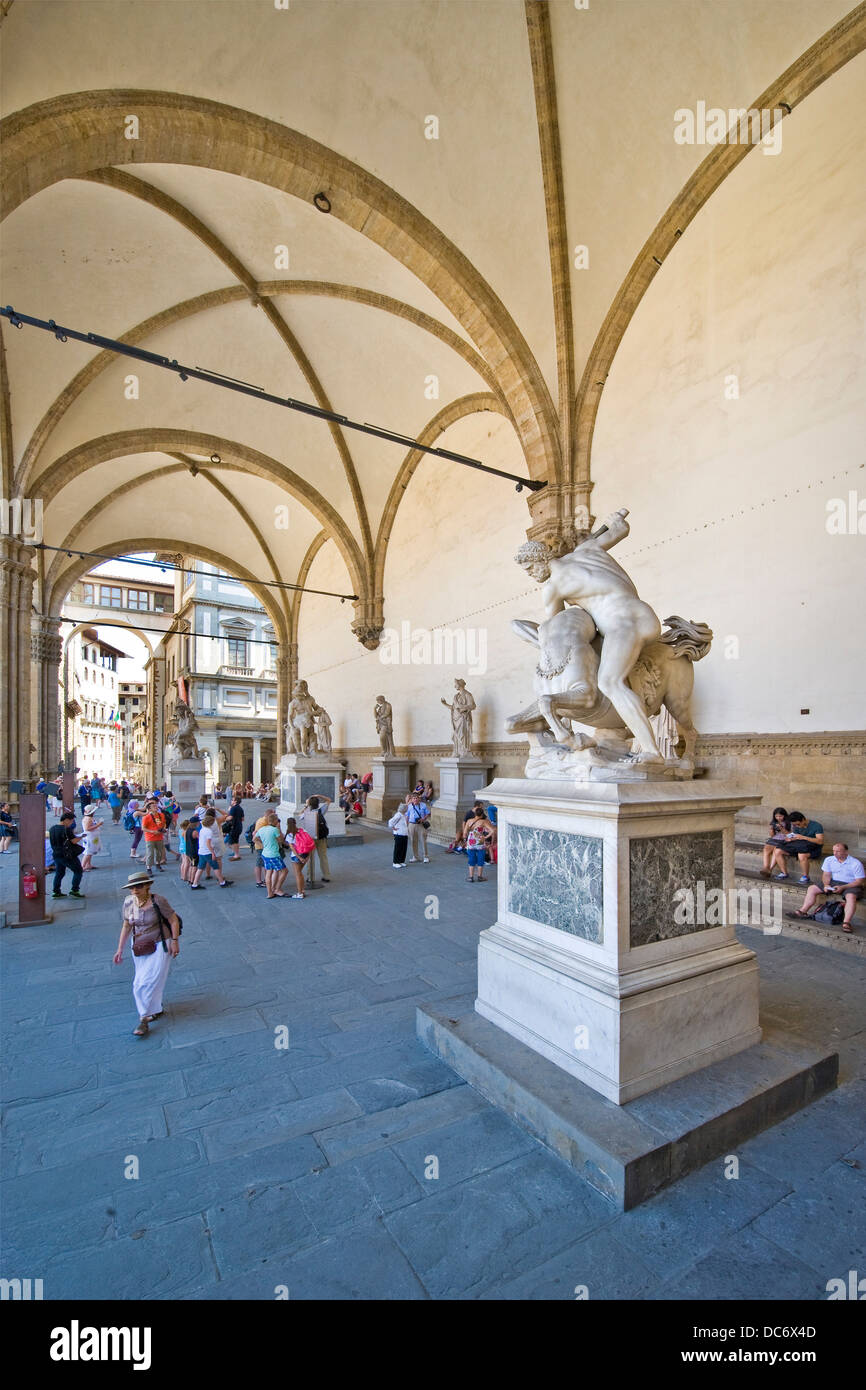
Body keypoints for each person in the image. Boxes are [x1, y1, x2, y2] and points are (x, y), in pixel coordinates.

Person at [113, 870, 181, 1036]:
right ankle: (155, 1008)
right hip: (140, 945)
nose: (135, 890)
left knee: (148, 981)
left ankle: (143, 1018)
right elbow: (127, 925)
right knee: (140, 981)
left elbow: (173, 919)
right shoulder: (129, 902)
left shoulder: (158, 901)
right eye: (132, 888)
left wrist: (174, 940)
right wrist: (120, 948)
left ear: (147, 886)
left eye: (139, 886)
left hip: (160, 943)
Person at [794, 843, 865, 933]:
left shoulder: (855, 863)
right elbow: (826, 875)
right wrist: (826, 885)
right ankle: (803, 911)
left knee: (851, 897)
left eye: (838, 851)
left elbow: (859, 881)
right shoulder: (829, 859)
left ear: (846, 852)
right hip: (833, 881)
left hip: (850, 884)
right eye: (834, 851)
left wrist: (843, 887)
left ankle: (846, 922)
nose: (835, 853)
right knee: (812, 888)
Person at [771, 811, 824, 883]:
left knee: (801, 855)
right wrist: (790, 839)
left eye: (798, 824)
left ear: (803, 819)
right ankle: (784, 873)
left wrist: (804, 837)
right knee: (777, 850)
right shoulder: (796, 826)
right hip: (800, 846)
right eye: (795, 825)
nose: (797, 826)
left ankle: (806, 877)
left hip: (813, 848)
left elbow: (820, 841)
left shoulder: (816, 826)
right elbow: (796, 836)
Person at [190, 811, 232, 889]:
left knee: (200, 868)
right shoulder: (209, 831)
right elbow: (208, 843)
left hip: (201, 852)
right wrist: (212, 853)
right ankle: (222, 882)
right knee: (216, 867)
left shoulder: (202, 829)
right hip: (207, 852)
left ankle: (194, 884)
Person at [49, 812, 85, 899]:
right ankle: (75, 890)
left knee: (59, 873)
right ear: (66, 820)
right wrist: (81, 836)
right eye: (71, 821)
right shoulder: (66, 829)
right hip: (67, 855)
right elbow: (74, 841)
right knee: (78, 871)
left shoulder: (52, 828)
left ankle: (56, 891)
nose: (72, 823)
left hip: (56, 854)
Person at [300, 795, 331, 884]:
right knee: (323, 856)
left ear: (309, 804)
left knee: (310, 858)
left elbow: (299, 816)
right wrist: (318, 795)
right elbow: (328, 800)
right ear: (318, 804)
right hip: (321, 836)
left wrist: (306, 805)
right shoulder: (321, 810)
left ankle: (310, 877)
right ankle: (326, 875)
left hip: (310, 838)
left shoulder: (307, 812)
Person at [256, 814, 289, 898]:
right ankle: (277, 889)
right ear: (275, 821)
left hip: (265, 853)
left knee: (269, 872)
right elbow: (281, 840)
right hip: (274, 854)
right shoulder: (274, 830)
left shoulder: (262, 829)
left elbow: (254, 838)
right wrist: (279, 828)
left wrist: (263, 844)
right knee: (284, 871)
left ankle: (270, 892)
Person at [463, 806, 494, 882]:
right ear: (482, 814)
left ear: (475, 813)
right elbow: (493, 830)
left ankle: (471, 877)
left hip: (471, 842)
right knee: (480, 859)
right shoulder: (483, 822)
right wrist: (486, 836)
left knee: (471, 859)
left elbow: (464, 833)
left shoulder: (469, 821)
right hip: (480, 842)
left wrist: (465, 839)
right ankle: (480, 877)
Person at [760, 807, 791, 876]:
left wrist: (782, 828)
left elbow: (790, 835)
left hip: (784, 840)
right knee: (766, 849)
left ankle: (770, 870)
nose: (778, 818)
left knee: (775, 851)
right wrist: (771, 829)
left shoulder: (788, 822)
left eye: (780, 816)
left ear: (784, 815)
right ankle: (765, 867)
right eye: (776, 816)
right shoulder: (774, 822)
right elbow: (772, 835)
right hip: (774, 839)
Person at [282, 817, 308, 897]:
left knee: (297, 874)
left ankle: (299, 893)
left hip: (296, 856)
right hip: (305, 854)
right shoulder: (302, 830)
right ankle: (302, 890)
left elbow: (292, 848)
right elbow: (308, 843)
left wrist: (299, 857)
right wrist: (307, 857)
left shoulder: (289, 835)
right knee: (300, 873)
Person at [141, 799, 168, 873]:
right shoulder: (146, 817)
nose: (156, 807)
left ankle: (158, 864)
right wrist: (152, 831)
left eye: (156, 805)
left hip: (159, 837)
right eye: (154, 806)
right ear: (149, 809)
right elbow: (143, 828)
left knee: (159, 853)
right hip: (150, 838)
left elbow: (163, 824)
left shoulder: (161, 815)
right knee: (150, 853)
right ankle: (148, 868)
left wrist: (163, 829)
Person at [406, 792, 430, 864]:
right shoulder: (409, 806)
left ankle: (425, 856)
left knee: (423, 840)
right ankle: (415, 857)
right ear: (412, 799)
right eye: (414, 798)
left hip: (421, 825)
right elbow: (407, 816)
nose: (415, 799)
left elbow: (428, 813)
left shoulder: (423, 805)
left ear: (419, 799)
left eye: (417, 798)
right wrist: (406, 826)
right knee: (413, 841)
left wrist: (423, 818)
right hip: (411, 824)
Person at [80, 802, 104, 872]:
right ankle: (83, 866)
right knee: (88, 852)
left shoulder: (89, 818)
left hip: (92, 836)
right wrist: (98, 824)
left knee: (90, 852)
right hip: (90, 837)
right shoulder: (88, 819)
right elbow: (87, 828)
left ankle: (88, 864)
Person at [388, 802, 409, 868]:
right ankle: (395, 862)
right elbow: (391, 821)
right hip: (399, 834)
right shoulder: (398, 815)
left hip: (404, 834)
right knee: (398, 848)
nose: (407, 809)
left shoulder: (404, 815)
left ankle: (401, 861)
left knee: (403, 848)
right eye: (406, 808)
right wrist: (393, 827)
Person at [224, 793, 245, 860]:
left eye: (232, 800)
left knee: (232, 842)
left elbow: (230, 817)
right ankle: (236, 853)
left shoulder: (233, 808)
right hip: (239, 826)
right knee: (236, 841)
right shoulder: (240, 808)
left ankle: (236, 855)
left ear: (235, 801)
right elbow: (242, 819)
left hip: (234, 827)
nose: (231, 801)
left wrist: (225, 818)